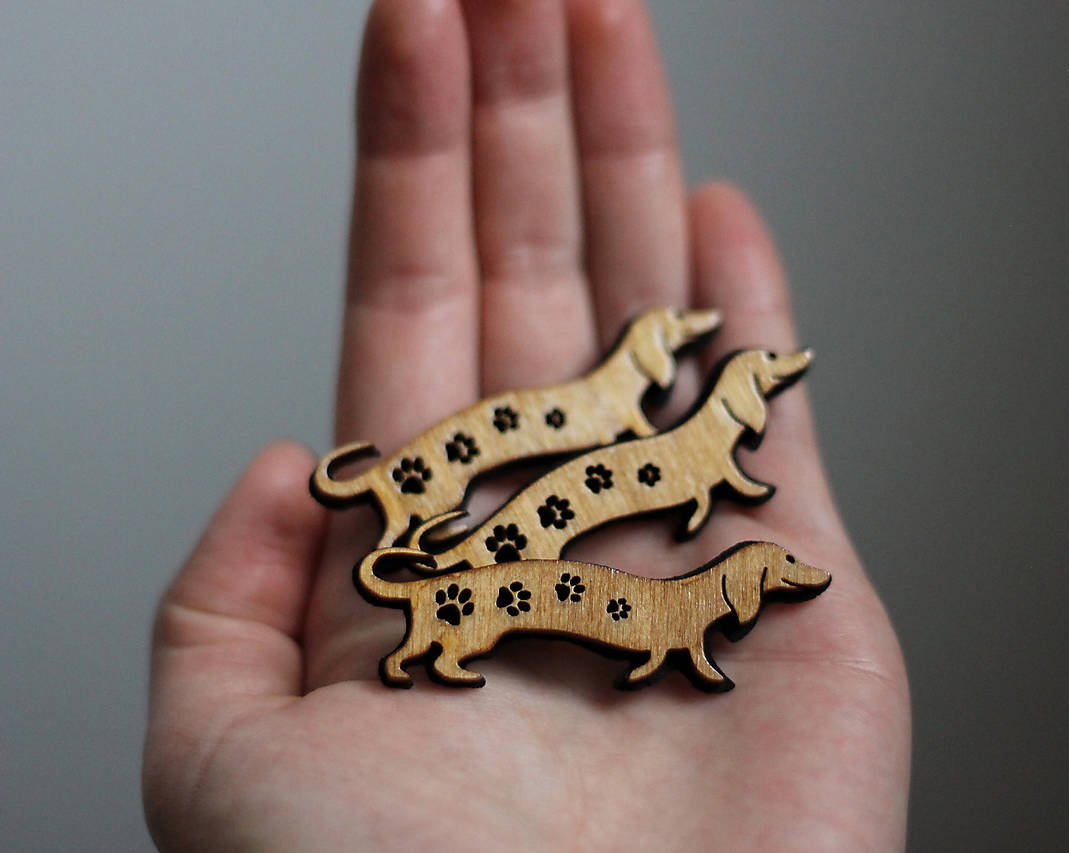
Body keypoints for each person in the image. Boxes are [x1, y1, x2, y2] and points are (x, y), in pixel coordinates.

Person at [141, 0, 911, 848]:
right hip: (493, 553)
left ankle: (445, 577)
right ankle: (439, 573)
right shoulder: (632, 421)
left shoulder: (655, 434)